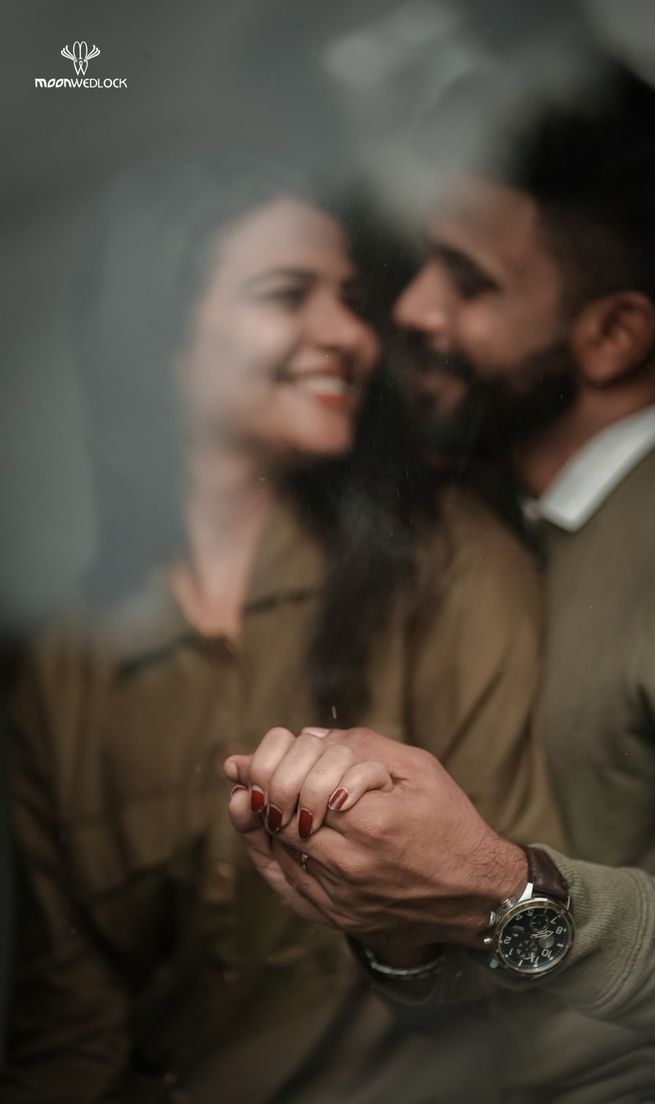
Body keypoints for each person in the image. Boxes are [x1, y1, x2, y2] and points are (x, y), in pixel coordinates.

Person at [1, 152, 562, 1103]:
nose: (350, 333)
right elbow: (73, 1026)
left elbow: (525, 942)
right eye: (286, 294)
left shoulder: (446, 565)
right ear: (160, 342)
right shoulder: (66, 670)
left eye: (347, 297)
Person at [227, 68, 655, 1102]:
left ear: (612, 336)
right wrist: (395, 917)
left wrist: (502, 892)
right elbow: (504, 939)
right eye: (426, 265)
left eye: (470, 283)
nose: (410, 309)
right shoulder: (512, 525)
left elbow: (513, 902)